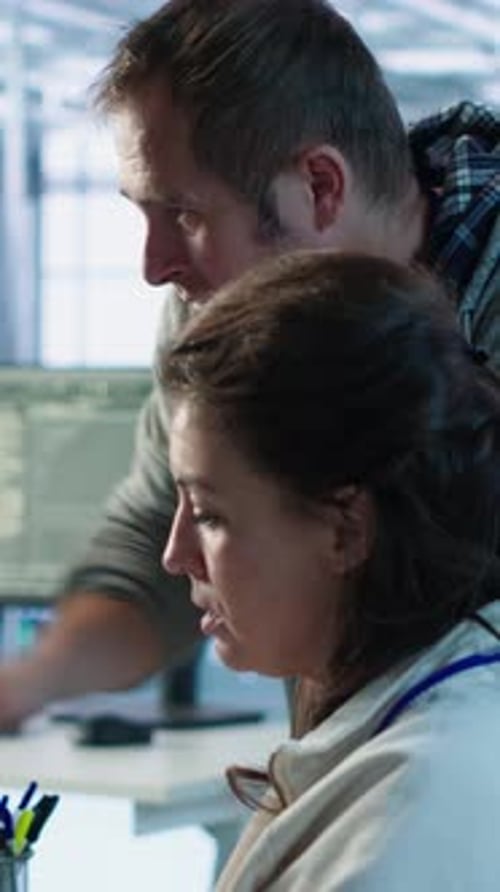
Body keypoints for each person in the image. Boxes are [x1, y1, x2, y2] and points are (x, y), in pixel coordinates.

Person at [0, 0, 497, 729]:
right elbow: (157, 554)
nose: (154, 267)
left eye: (186, 216)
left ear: (321, 187)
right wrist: (24, 685)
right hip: (362, 766)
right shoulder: (214, 310)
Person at [160, 250, 500, 891]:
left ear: (346, 529)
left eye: (208, 514)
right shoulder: (417, 709)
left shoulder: (418, 806)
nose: (174, 553)